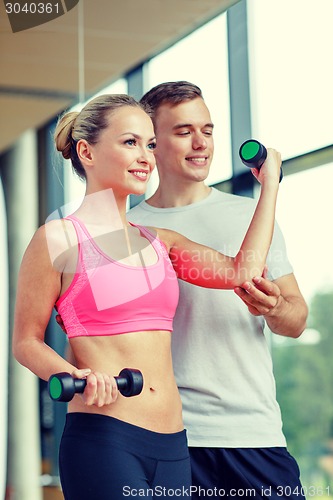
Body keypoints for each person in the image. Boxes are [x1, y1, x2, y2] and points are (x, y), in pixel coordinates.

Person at [12, 93, 281, 500]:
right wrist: (73, 375)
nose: (146, 157)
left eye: (150, 144)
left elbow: (241, 271)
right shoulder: (59, 239)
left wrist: (270, 187)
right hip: (105, 438)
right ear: (86, 151)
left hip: (173, 444)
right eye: (130, 142)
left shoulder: (159, 242)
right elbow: (25, 341)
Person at [128, 81, 308, 499]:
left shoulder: (250, 216)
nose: (201, 143)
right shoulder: (131, 230)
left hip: (252, 431)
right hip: (170, 435)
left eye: (207, 130)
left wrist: (274, 307)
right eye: (183, 131)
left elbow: (296, 320)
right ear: (151, 142)